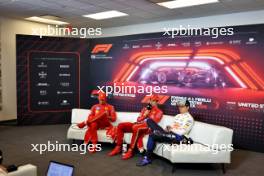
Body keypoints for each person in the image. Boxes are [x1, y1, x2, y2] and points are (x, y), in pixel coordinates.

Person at [137, 99, 194, 166]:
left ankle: (147, 158)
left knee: (152, 135)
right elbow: (171, 127)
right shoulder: (177, 116)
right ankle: (158, 133)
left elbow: (182, 132)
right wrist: (167, 128)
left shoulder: (189, 119)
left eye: (182, 106)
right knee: (149, 120)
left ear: (187, 107)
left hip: (178, 137)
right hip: (168, 134)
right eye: (179, 106)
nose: (180, 108)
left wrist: (171, 129)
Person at [108, 94, 163, 160]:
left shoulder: (159, 112)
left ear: (157, 102)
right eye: (150, 100)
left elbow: (152, 123)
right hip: (137, 124)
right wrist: (145, 114)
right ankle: (118, 147)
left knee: (136, 127)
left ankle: (130, 150)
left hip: (147, 128)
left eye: (153, 101)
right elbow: (138, 119)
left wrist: (148, 114)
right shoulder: (145, 109)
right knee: (121, 125)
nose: (151, 102)